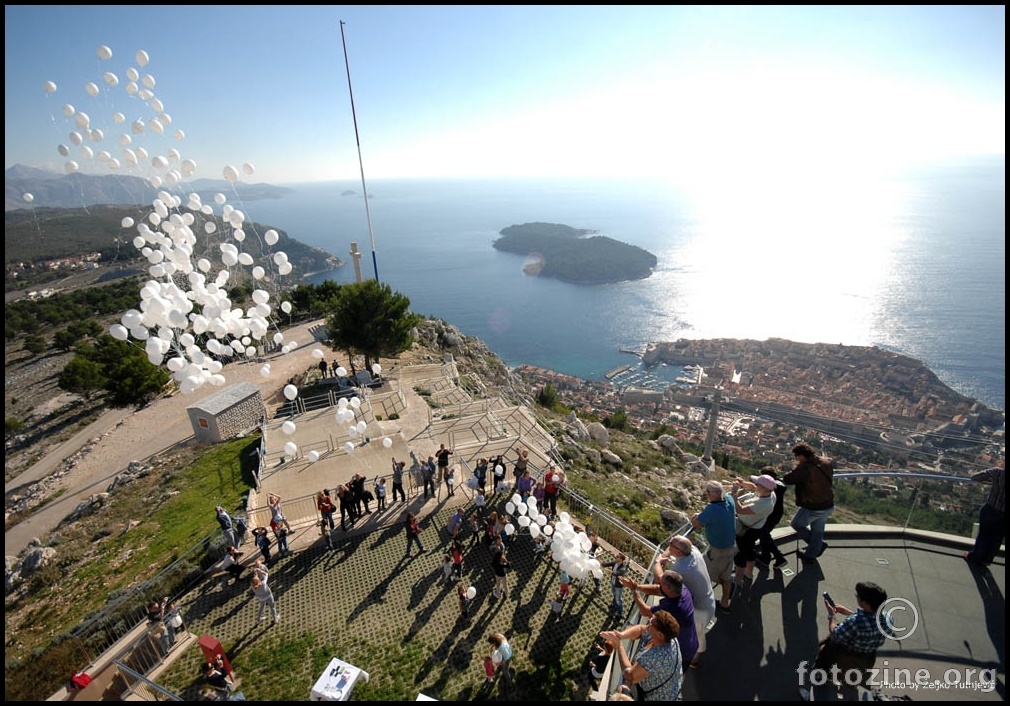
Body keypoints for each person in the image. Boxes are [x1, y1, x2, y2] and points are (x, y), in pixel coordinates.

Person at [800, 581, 894, 701]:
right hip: (867, 658)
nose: (856, 598)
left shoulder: (854, 622)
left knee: (822, 671)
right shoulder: (888, 618)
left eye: (858, 596)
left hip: (843, 656)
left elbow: (835, 634)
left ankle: (811, 694)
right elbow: (869, 622)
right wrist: (849, 613)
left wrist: (831, 616)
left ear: (865, 603)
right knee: (851, 681)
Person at [599, 609, 683, 701]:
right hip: (668, 689)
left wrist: (619, 645)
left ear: (660, 634)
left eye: (652, 622)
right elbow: (641, 629)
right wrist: (621, 635)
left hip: (658, 697)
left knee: (622, 690)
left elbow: (629, 675)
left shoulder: (656, 656)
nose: (649, 621)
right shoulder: (668, 638)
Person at [625, 570, 698, 670]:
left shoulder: (673, 607)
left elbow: (646, 611)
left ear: (668, 588)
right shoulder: (682, 590)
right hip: (691, 642)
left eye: (661, 583)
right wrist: (638, 586)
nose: (659, 583)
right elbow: (657, 590)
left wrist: (634, 590)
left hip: (682, 651)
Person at [662, 536, 716, 667]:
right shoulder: (694, 551)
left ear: (679, 553)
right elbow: (677, 548)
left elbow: (661, 579)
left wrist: (658, 563)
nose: (668, 543)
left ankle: (693, 660)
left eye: (671, 544)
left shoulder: (681, 569)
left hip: (700, 611)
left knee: (697, 637)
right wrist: (667, 553)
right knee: (695, 634)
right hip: (708, 600)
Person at [783, 442, 835, 564]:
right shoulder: (825, 461)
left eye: (796, 457)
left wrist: (796, 467)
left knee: (797, 524)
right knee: (818, 531)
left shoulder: (805, 468)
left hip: (813, 504)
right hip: (828, 502)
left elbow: (788, 479)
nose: (796, 459)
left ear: (801, 456)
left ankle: (817, 546)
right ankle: (812, 553)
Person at [691, 480, 737, 612]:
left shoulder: (712, 509)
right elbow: (730, 494)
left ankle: (701, 604)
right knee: (726, 576)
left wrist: (695, 516)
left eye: (707, 492)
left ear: (710, 493)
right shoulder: (729, 500)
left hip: (717, 551)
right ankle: (725, 603)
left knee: (704, 574)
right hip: (731, 546)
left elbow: (696, 523)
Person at [731, 474, 777, 583]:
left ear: (764, 488)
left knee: (740, 554)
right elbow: (753, 486)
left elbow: (740, 509)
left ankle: (738, 579)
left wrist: (734, 493)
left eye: (758, 484)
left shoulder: (763, 504)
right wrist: (742, 483)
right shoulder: (770, 493)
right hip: (756, 527)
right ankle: (748, 573)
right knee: (749, 549)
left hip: (749, 530)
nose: (755, 485)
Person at [964, 466, 1005, 568]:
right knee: (997, 538)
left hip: (991, 509)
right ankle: (987, 560)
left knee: (984, 535)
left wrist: (991, 481)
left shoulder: (997, 472)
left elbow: (975, 477)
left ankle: (974, 558)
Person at [755, 467, 789, 569]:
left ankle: (779, 558)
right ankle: (766, 557)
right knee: (764, 535)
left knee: (764, 534)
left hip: (771, 514)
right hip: (776, 513)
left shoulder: (773, 487)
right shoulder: (778, 484)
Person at [605, 551, 630, 616]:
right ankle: (614, 605)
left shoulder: (623, 568)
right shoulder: (615, 563)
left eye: (617, 557)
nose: (615, 557)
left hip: (618, 586)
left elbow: (617, 574)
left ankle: (620, 613)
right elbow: (606, 564)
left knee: (618, 599)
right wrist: (601, 562)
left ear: (621, 559)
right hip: (613, 582)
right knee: (614, 594)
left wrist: (611, 572)